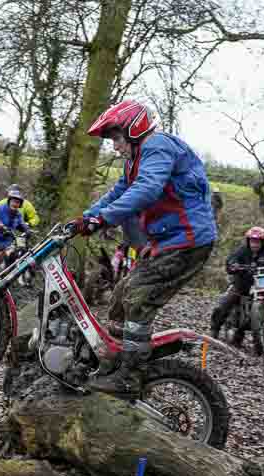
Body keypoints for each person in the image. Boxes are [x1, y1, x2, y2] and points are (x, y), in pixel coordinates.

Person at [70, 100, 218, 396]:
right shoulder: (135, 159)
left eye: (116, 138)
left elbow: (147, 189)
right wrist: (86, 218)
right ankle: (118, 363)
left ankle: (129, 377)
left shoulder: (158, 147)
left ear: (133, 129)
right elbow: (119, 192)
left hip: (188, 242)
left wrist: (103, 219)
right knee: (120, 297)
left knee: (138, 297)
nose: (114, 146)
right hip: (169, 242)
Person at [209, 226, 264, 346]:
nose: (254, 244)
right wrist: (234, 265)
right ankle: (214, 330)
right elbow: (231, 260)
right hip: (241, 285)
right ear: (248, 241)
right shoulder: (241, 251)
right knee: (224, 304)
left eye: (257, 241)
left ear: (262, 242)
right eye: (252, 241)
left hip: (261, 286)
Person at [0, 189, 31, 263]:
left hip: (5, 244)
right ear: (9, 201)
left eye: (18, 202)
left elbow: (22, 224)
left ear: (20, 205)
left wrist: (27, 230)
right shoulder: (0, 208)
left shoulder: (18, 215)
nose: (15, 204)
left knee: (11, 258)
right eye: (13, 201)